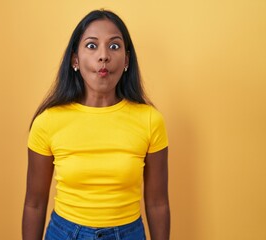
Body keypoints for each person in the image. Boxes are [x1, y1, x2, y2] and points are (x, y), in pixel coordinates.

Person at [22, 9, 170, 240]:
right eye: (92, 46)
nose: (103, 56)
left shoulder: (150, 120)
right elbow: (34, 203)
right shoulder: (47, 122)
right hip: (64, 234)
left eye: (114, 46)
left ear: (127, 60)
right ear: (75, 60)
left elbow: (158, 203)